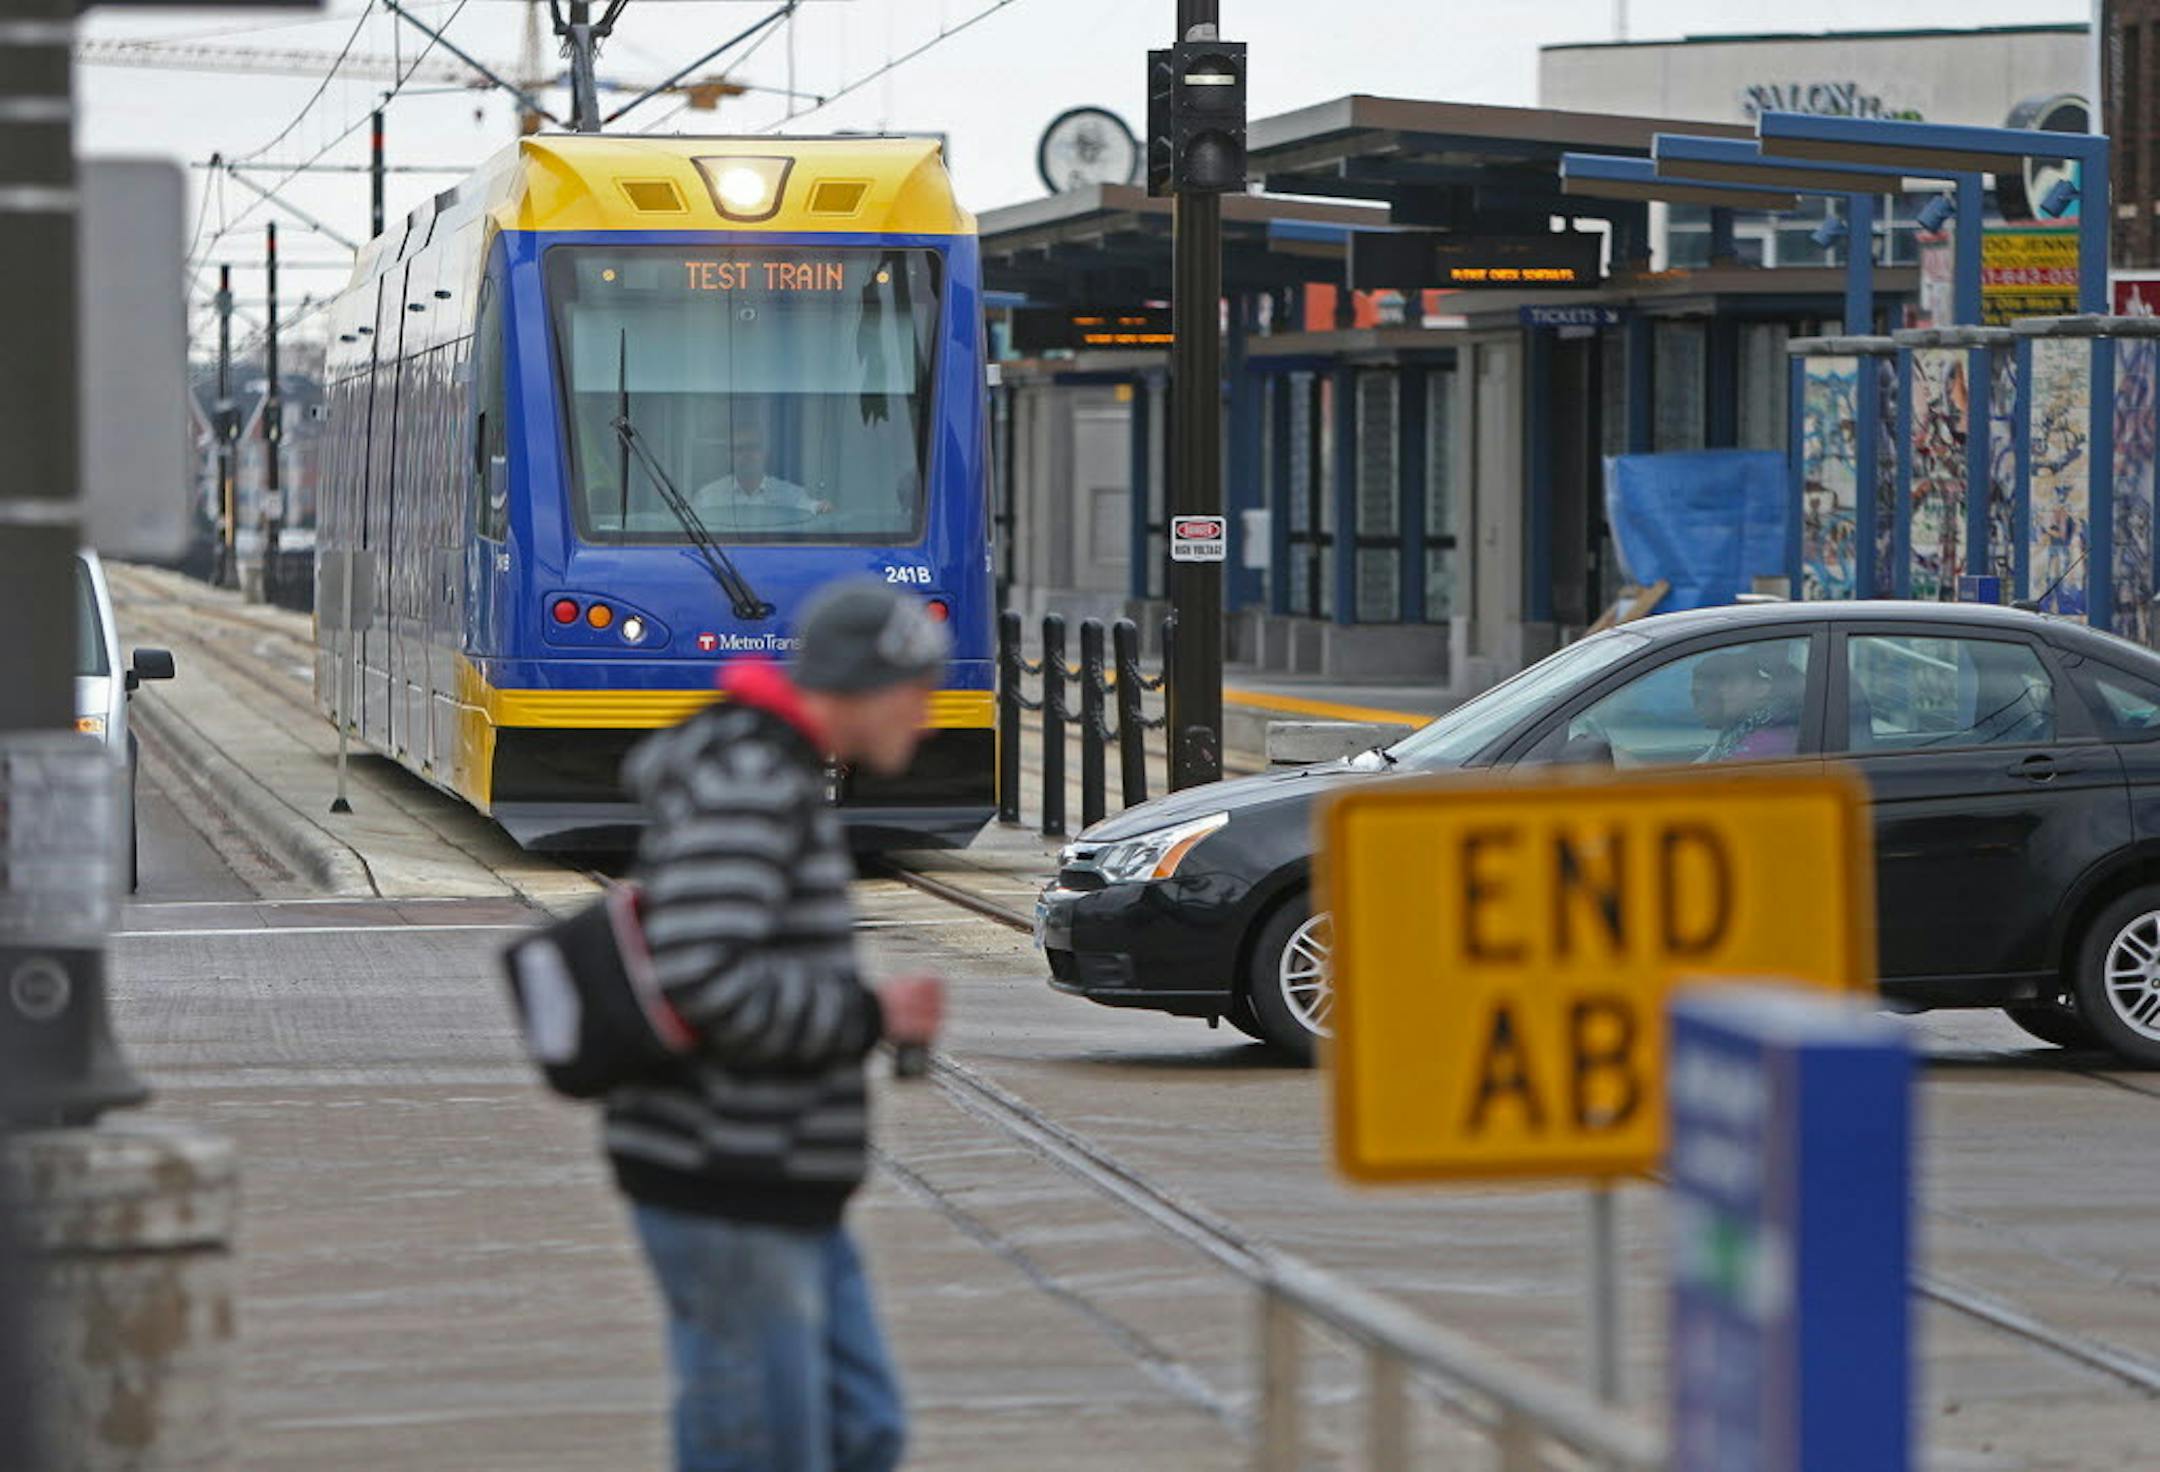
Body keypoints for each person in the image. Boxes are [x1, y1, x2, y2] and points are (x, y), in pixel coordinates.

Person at [609, 579, 950, 1472]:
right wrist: (870, 1013)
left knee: (858, 1428)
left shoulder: (774, 774)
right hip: (726, 1175)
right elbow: (703, 975)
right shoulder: (752, 783)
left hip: (780, 1179)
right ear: (867, 686)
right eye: (920, 695)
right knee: (759, 1444)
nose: (927, 718)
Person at [692, 425, 832, 521]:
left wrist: (822, 508)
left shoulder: (790, 493)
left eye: (753, 447)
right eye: (739, 449)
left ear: (765, 452)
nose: (747, 454)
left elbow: (813, 508)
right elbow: (689, 520)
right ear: (728, 455)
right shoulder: (709, 496)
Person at [1692, 648, 1802, 763]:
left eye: (1732, 683)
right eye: (1721, 684)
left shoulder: (1767, 743)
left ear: (1762, 688)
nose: (1722, 690)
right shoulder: (1740, 729)